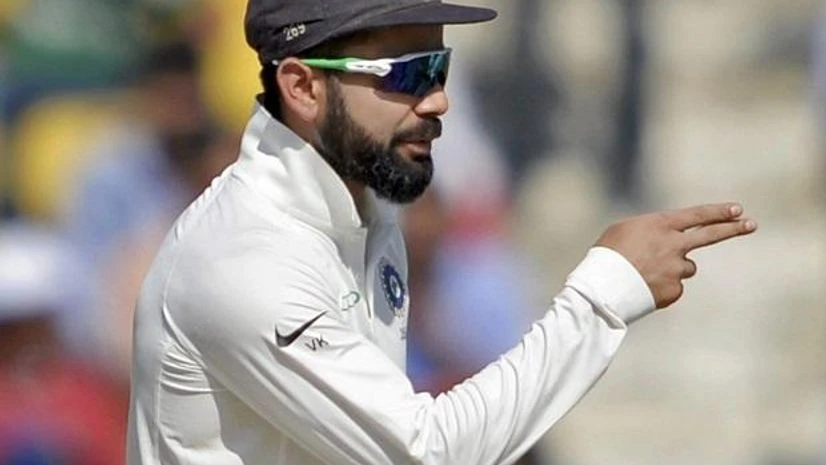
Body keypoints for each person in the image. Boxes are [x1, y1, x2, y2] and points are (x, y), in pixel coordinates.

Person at [126, 1, 758, 464]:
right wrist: (602, 298)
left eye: (439, 67)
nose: (436, 101)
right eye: (406, 73)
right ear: (302, 86)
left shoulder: (366, 214)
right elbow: (423, 453)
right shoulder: (246, 257)